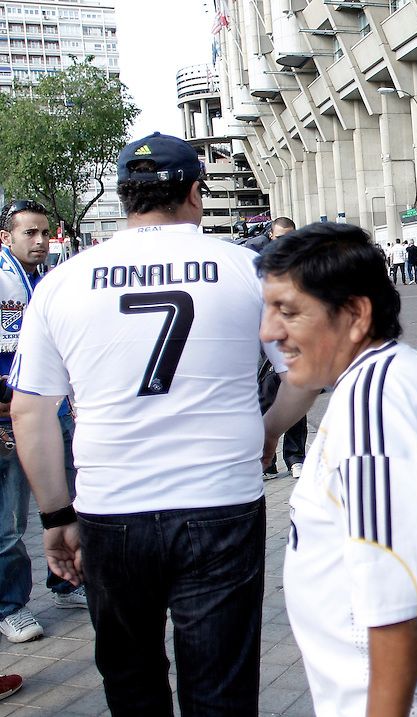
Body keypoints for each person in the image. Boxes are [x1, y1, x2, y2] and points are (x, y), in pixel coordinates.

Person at [8, 131, 317, 715]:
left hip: (111, 505)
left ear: (125, 196)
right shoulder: (249, 268)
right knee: (221, 686)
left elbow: (31, 410)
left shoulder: (62, 282)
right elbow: (305, 372)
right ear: (195, 193)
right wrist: (267, 430)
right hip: (220, 499)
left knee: (131, 680)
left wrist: (55, 514)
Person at [257, 222, 417, 717]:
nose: (268, 332)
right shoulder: (410, 371)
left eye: (288, 311)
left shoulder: (372, 407)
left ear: (354, 315)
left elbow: (395, 609)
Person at [0, 200, 85, 649]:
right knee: (10, 524)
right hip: (11, 418)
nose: (40, 241)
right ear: (6, 237)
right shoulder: (4, 280)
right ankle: (10, 606)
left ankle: (67, 583)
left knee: (65, 505)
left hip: (57, 411)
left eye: (44, 233)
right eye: (29, 233)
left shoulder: (52, 281)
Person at [247, 217, 308, 479]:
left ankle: (295, 457)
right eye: (281, 237)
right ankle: (268, 462)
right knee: (265, 399)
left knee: (297, 398)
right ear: (271, 236)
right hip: (267, 343)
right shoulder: (256, 264)